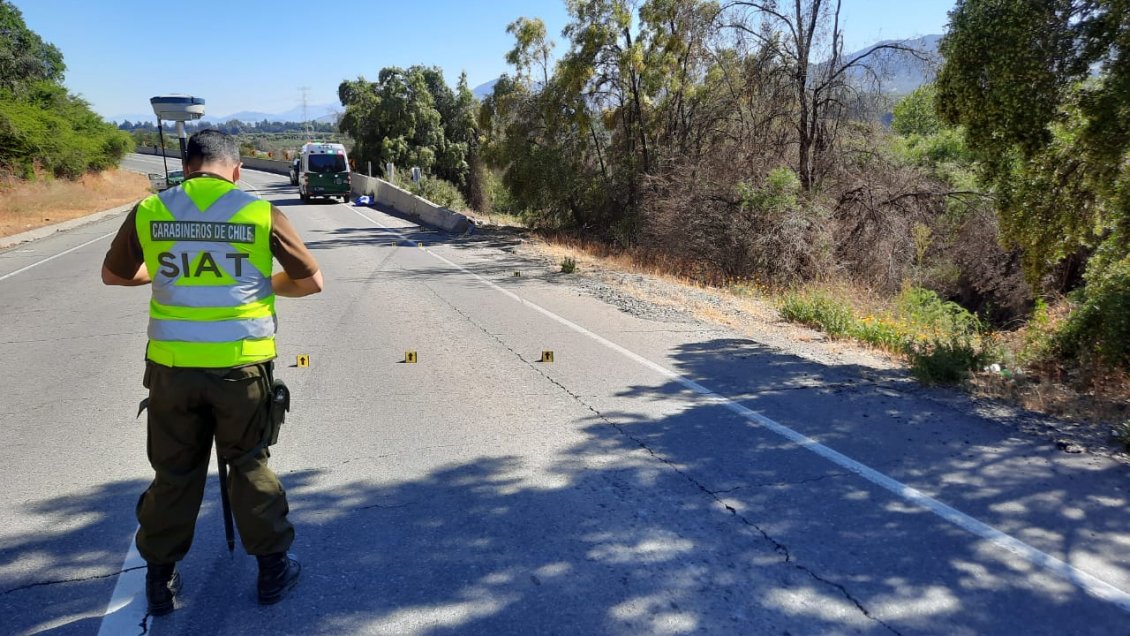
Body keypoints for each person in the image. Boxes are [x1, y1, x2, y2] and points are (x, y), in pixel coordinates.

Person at [101, 129, 323, 614]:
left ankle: (159, 582)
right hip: (241, 369)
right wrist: (263, 285)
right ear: (237, 168)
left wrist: (159, 275)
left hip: (172, 371)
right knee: (248, 465)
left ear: (186, 166)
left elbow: (114, 274)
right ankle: (271, 572)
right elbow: (311, 282)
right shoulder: (258, 212)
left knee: (174, 473)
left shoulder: (152, 210)